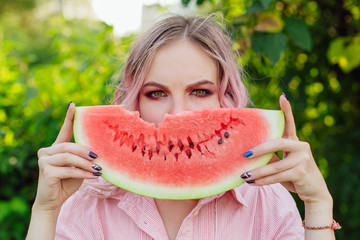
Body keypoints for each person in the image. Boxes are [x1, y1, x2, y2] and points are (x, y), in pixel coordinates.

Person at [26, 15, 339, 240]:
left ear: (225, 98)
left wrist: (318, 205)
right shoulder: (89, 201)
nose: (177, 114)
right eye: (156, 93)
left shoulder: (264, 200)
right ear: (135, 100)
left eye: (200, 91)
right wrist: (46, 210)